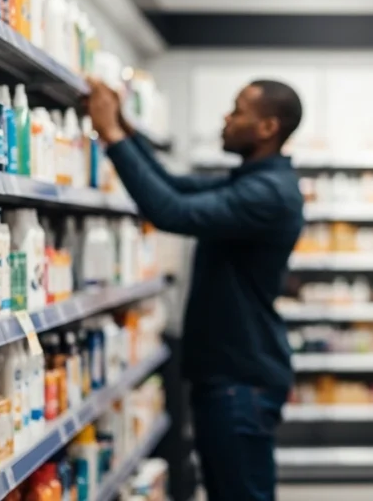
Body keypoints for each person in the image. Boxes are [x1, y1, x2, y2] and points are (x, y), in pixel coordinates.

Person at [86, 78, 305, 501]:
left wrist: (111, 135)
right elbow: (172, 184)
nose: (226, 117)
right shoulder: (253, 180)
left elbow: (171, 211)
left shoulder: (268, 194)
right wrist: (125, 129)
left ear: (267, 128)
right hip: (230, 375)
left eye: (238, 110)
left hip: (240, 380)